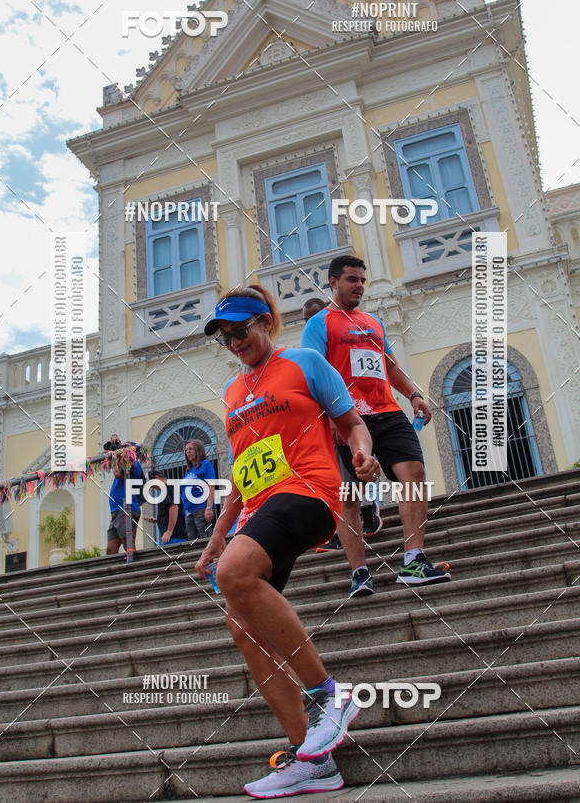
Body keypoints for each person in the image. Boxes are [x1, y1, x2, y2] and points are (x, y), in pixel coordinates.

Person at [196, 285, 381, 798]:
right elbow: (241, 478)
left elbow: (351, 424)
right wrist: (215, 542)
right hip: (260, 508)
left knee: (236, 575)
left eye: (241, 331)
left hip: (309, 490)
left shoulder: (303, 363)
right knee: (242, 624)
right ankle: (313, 759)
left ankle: (330, 694)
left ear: (266, 323)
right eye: (225, 338)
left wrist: (363, 454)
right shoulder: (234, 395)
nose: (234, 343)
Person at [301, 255, 451, 588]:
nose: (359, 286)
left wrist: (413, 395)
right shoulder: (319, 323)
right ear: (334, 282)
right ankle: (360, 572)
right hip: (347, 419)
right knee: (349, 496)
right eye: (352, 279)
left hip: (386, 411)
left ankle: (413, 561)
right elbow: (311, 375)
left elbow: (390, 365)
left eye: (362, 280)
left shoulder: (373, 322)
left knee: (414, 474)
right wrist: (328, 421)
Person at [302, 297, 381, 562]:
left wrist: (339, 420)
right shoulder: (310, 350)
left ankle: (369, 511)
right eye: (306, 320)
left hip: (353, 414)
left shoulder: (344, 339)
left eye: (315, 317)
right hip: (329, 422)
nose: (310, 324)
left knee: (358, 466)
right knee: (340, 477)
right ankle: (340, 527)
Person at [105, 435, 143, 555]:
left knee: (128, 544)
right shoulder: (122, 462)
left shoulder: (134, 464)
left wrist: (115, 456)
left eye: (125, 447)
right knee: (111, 549)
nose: (122, 449)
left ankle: (136, 569)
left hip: (126, 508)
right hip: (117, 510)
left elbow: (118, 474)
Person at [182, 439, 215, 541]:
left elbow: (211, 485)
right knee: (192, 542)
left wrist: (209, 507)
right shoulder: (189, 470)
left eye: (191, 449)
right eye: (186, 450)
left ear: (198, 450)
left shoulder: (205, 464)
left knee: (205, 538)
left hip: (201, 507)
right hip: (188, 510)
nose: (188, 452)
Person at [149, 468, 187, 545]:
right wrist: (158, 520)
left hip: (174, 537)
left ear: (156, 478)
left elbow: (174, 508)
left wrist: (169, 532)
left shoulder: (169, 487)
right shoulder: (167, 489)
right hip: (171, 537)